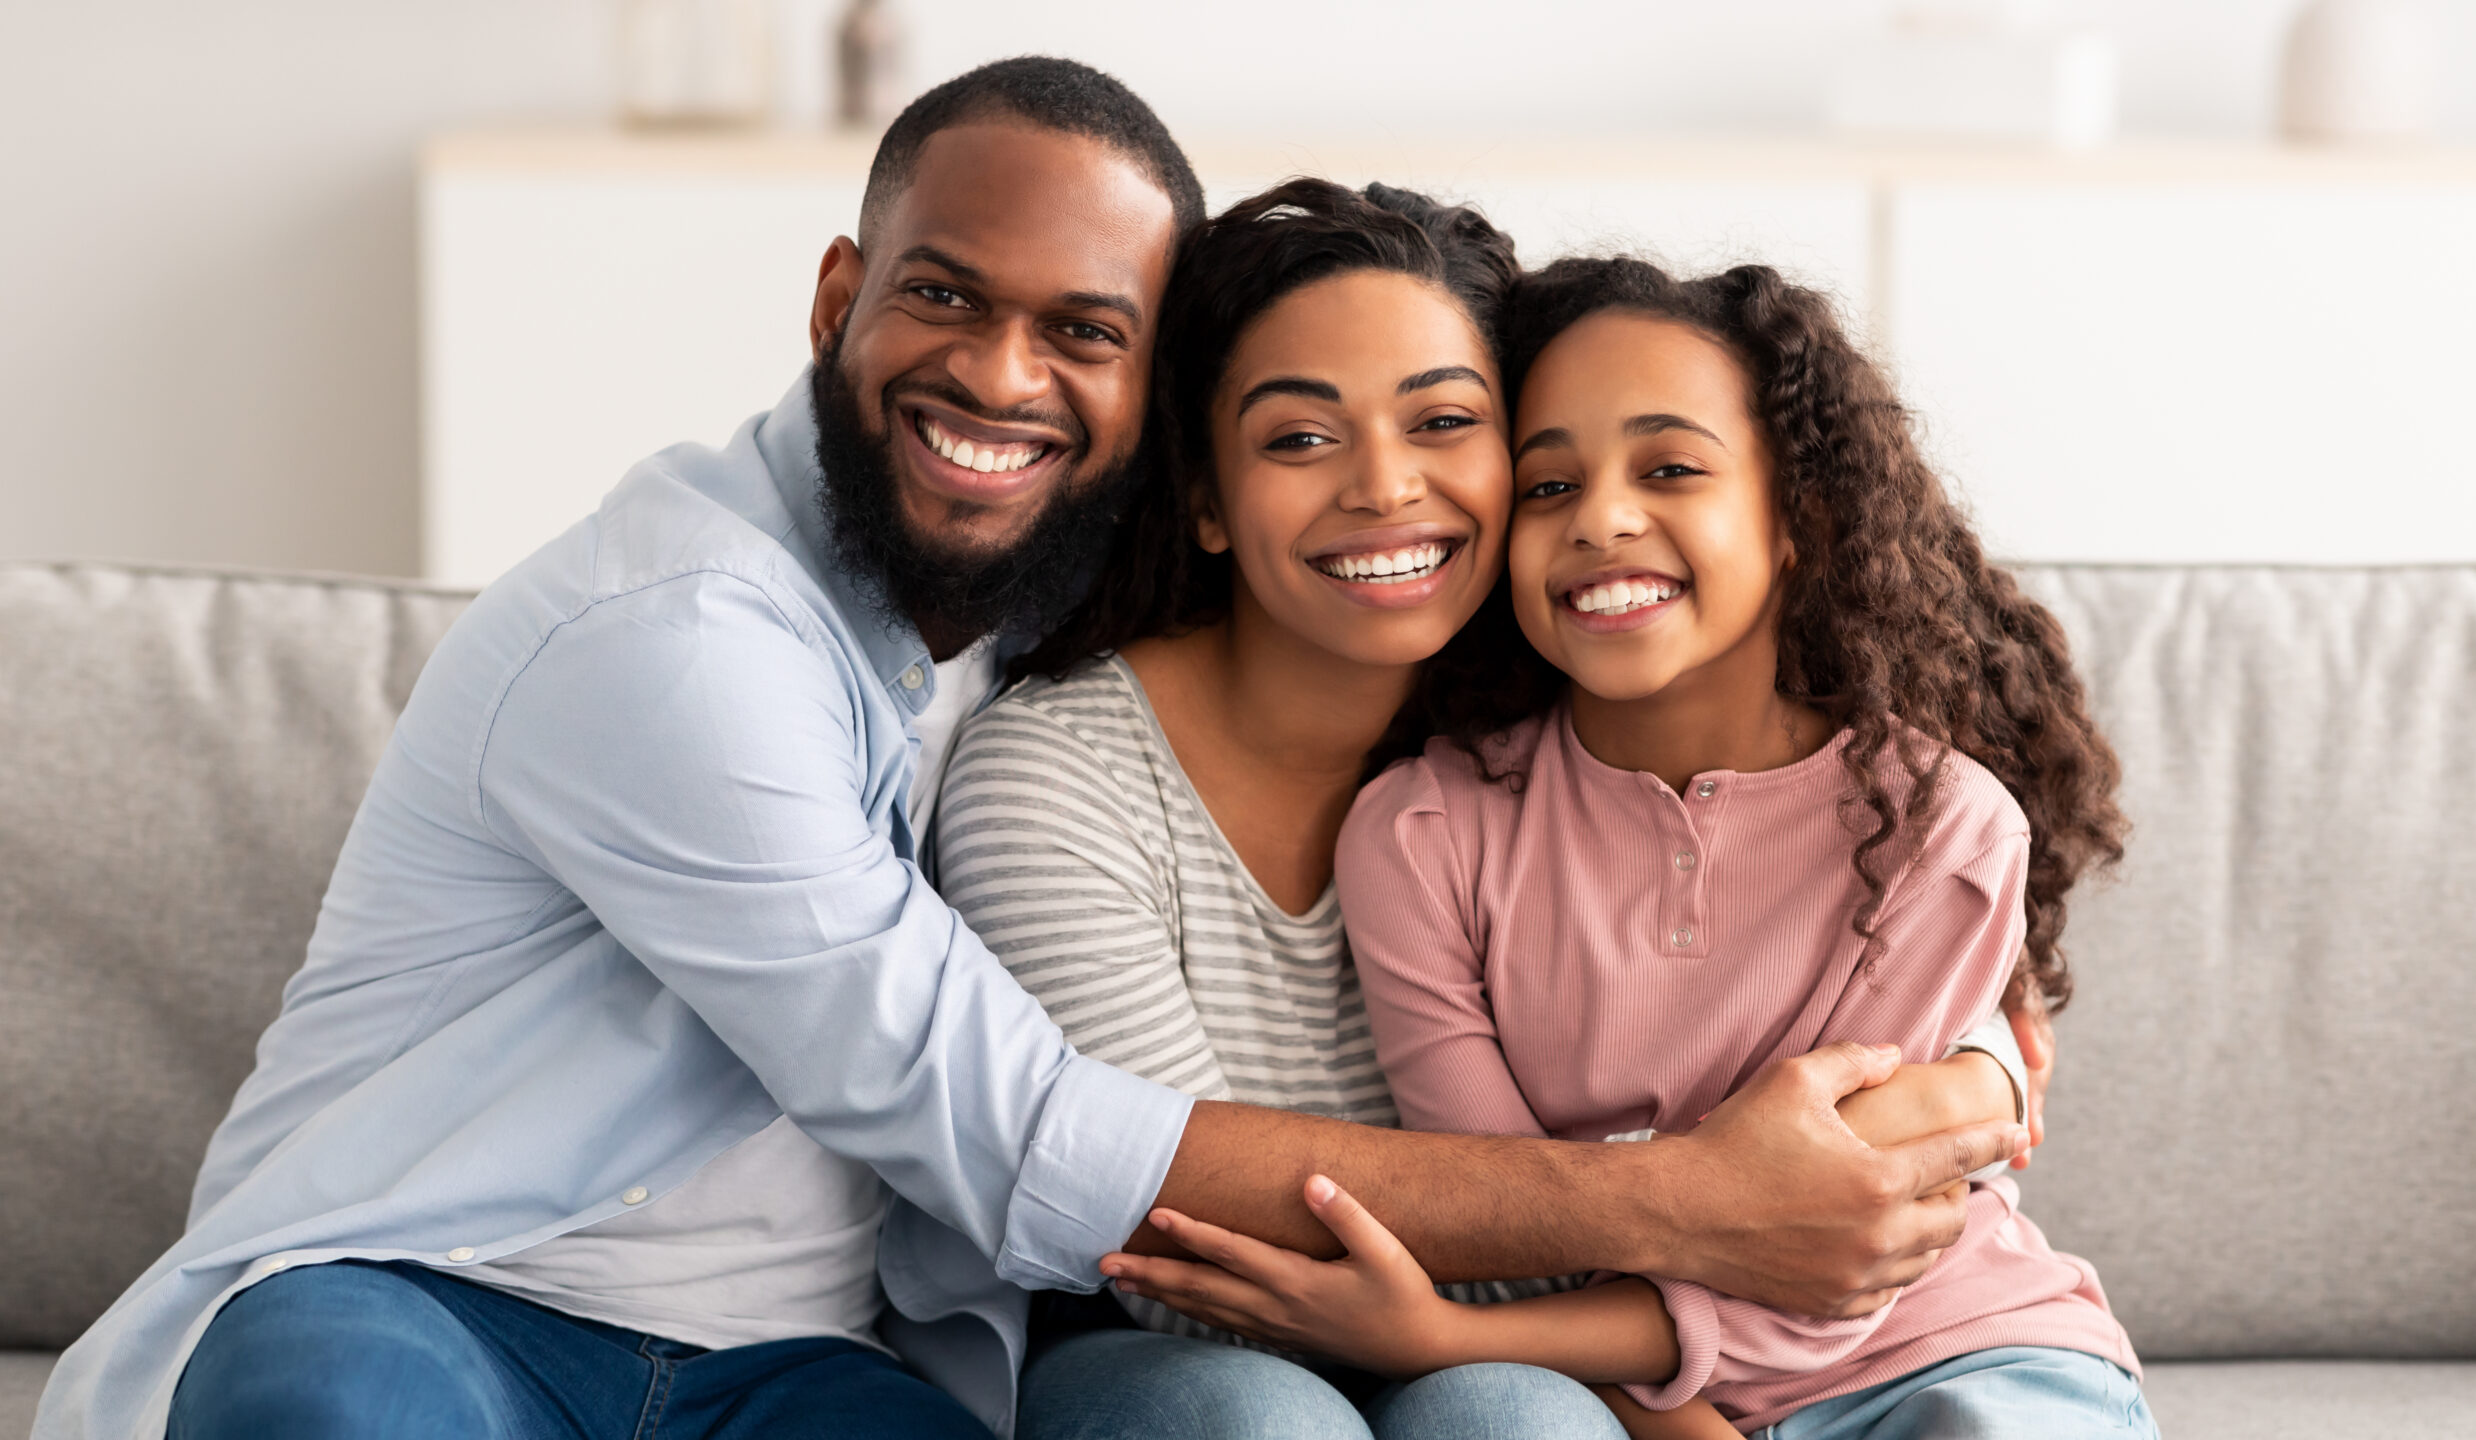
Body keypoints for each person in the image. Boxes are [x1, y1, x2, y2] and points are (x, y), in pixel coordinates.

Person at [37, 60, 2026, 1440]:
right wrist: (1687, 1203)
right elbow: (1025, 1146)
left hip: (782, 1371)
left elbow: (1880, 789)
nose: (1000, 377)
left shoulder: (1338, 668)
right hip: (429, 1289)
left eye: (1080, 331)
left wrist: (1987, 1057)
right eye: (942, 300)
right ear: (838, 298)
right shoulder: (687, 640)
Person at [938, 184, 2041, 1440]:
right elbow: (1174, 1242)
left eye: (1446, 423)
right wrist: (1705, 1200)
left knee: (1513, 1417)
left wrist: (1983, 1061)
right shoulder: (1056, 781)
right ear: (1204, 499)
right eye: (1299, 439)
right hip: (1180, 1351)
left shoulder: (1573, 713)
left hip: (1537, 1358)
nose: (1383, 487)